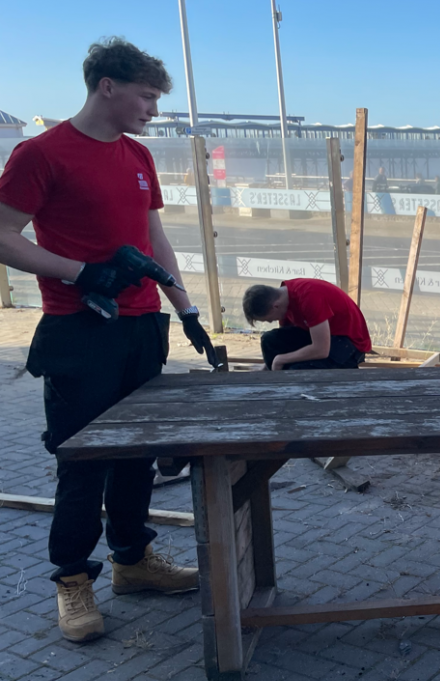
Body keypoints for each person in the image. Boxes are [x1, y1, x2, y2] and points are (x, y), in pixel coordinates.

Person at [0, 38, 213, 642]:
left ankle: (133, 561)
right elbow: (3, 234)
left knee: (138, 454)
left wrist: (185, 305)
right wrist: (79, 272)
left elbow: (152, 238)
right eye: (146, 96)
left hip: (144, 327)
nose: (153, 108)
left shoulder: (139, 157)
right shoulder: (39, 154)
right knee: (82, 458)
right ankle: (72, 582)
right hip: (80, 330)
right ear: (107, 86)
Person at [242, 278, 372, 370]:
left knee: (297, 372)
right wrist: (268, 367)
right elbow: (283, 344)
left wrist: (280, 360)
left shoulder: (309, 297)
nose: (271, 321)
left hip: (348, 343)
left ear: (275, 306)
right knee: (269, 340)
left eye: (268, 319)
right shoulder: (283, 302)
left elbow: (322, 349)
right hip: (323, 338)